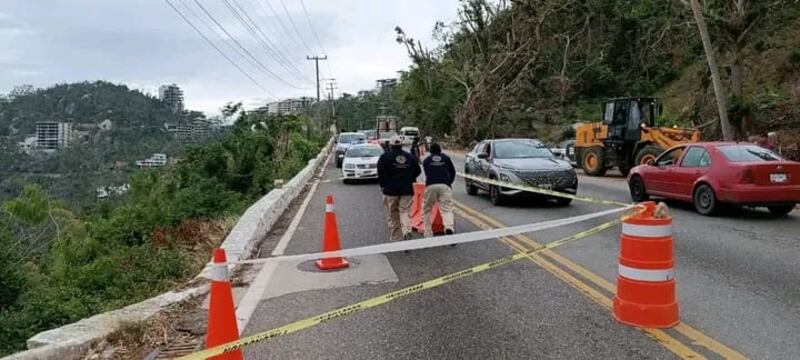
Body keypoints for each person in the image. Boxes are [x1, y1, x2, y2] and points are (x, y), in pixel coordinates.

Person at [378, 135, 421, 242]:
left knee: (392, 214)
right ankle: (406, 231)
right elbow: (418, 170)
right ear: (401, 145)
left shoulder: (384, 157)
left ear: (391, 145)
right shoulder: (409, 156)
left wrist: (383, 185)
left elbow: (380, 172)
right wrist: (410, 179)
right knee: (405, 211)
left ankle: (395, 237)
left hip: (390, 190)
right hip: (406, 189)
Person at [422, 142, 456, 237]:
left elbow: (427, 173)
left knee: (427, 209)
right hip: (445, 185)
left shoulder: (426, 160)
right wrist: (449, 183)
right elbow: (453, 171)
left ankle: (428, 232)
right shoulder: (446, 158)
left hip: (431, 185)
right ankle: (449, 227)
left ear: (430, 151)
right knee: (446, 208)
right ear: (440, 150)